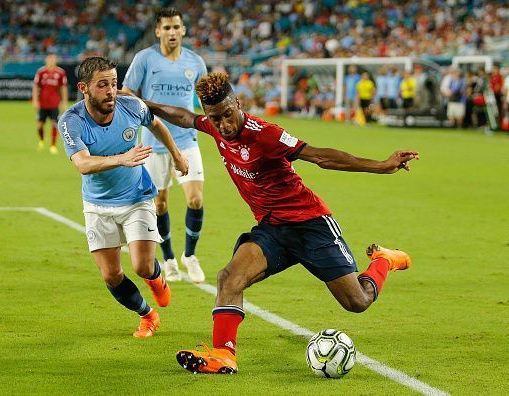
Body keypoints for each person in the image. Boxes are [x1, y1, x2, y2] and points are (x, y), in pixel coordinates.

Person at [144, 72, 419, 374]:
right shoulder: (214, 125)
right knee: (229, 278)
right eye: (215, 118)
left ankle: (383, 260)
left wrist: (381, 165)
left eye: (228, 115)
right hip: (272, 230)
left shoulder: (265, 134)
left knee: (357, 301)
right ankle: (224, 355)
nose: (223, 124)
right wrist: (146, 104)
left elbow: (321, 157)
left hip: (310, 224)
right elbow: (185, 117)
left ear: (238, 103)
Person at [57, 56, 189, 338]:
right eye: (103, 85)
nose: (111, 91)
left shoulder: (132, 106)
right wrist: (122, 158)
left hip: (136, 198)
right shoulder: (72, 121)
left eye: (114, 83)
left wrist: (177, 155)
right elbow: (82, 164)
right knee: (111, 275)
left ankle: (155, 278)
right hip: (97, 205)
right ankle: (147, 316)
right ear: (84, 88)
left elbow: (157, 125)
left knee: (142, 265)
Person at [122, 7, 207, 283]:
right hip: (154, 140)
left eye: (176, 27)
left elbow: (207, 102)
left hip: (187, 139)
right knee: (159, 204)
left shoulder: (195, 62)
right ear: (158, 31)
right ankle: (169, 259)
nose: (172, 32)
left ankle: (189, 256)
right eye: (166, 28)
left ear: (183, 30)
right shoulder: (145, 59)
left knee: (195, 199)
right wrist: (144, 112)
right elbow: (126, 93)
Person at [33, 53, 68, 154]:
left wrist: (64, 102)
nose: (51, 60)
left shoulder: (60, 73)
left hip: (54, 103)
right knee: (39, 125)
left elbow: (63, 88)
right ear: (46, 60)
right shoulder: (41, 72)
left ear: (56, 60)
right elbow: (36, 87)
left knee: (54, 124)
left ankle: (53, 146)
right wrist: (35, 101)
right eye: (49, 58)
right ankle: (42, 140)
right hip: (43, 103)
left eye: (53, 59)